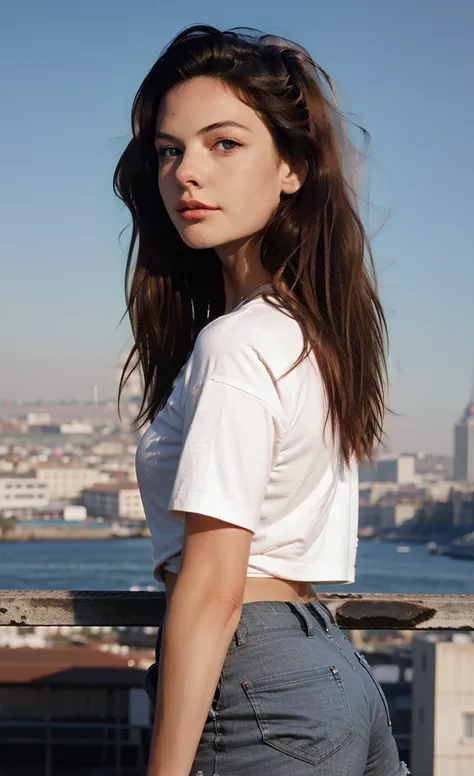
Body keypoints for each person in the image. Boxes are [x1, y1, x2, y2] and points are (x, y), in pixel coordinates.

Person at [114, 24, 408, 776]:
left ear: (294, 168)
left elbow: (213, 584)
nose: (187, 174)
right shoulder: (312, 335)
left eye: (224, 144)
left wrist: (166, 770)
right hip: (335, 675)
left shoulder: (239, 344)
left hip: (258, 686)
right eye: (170, 150)